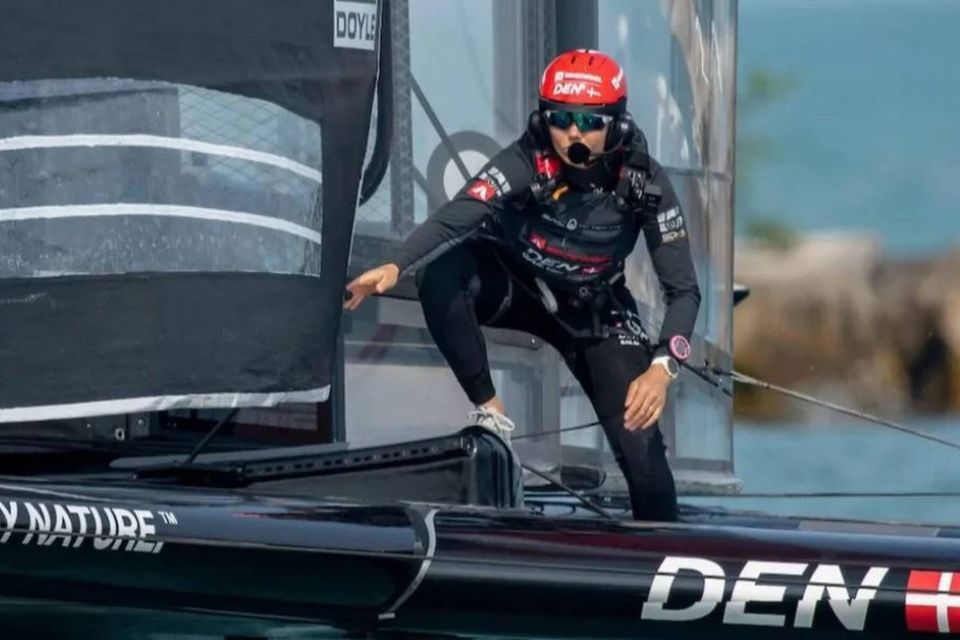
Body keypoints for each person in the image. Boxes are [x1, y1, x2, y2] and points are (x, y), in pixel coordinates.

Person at [344, 49, 700, 522]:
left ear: (616, 123)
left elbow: (684, 290)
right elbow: (459, 215)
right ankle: (491, 412)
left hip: (592, 310)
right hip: (517, 288)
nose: (573, 134)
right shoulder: (526, 159)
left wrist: (662, 368)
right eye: (560, 119)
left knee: (644, 457)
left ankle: (660, 549)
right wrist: (395, 263)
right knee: (441, 274)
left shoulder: (645, 182)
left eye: (589, 122)